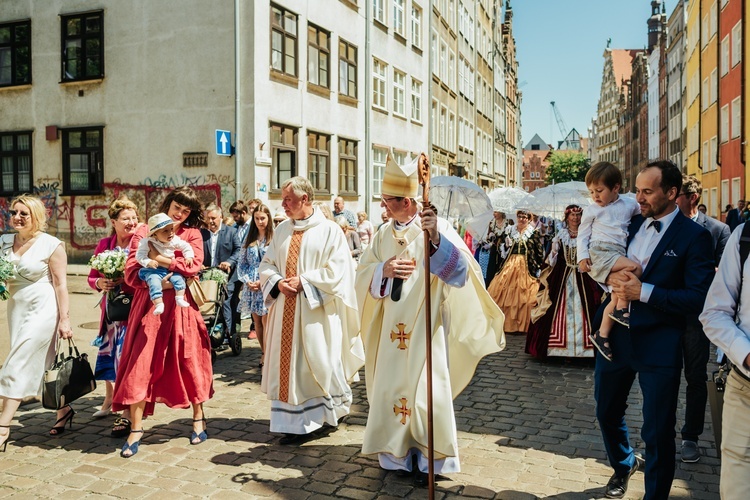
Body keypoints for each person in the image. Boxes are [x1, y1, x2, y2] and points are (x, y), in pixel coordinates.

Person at [355, 153, 504, 486]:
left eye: (389, 201)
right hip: (390, 331)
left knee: (426, 394)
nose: (384, 206)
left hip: (426, 328)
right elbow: (362, 275)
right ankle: (394, 453)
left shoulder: (437, 228)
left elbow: (462, 274)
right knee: (391, 389)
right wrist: (383, 270)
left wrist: (435, 240)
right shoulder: (381, 235)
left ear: (408, 202)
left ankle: (429, 459)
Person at [594, 160, 714, 499]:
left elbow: (697, 298)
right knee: (605, 411)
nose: (638, 197)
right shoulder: (628, 223)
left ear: (672, 193)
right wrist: (608, 277)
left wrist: (642, 292)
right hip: (615, 335)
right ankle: (623, 463)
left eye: (647, 191)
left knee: (658, 431)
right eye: (637, 189)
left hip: (660, 341)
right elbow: (601, 258)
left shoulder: (696, 237)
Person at [259, 177, 364, 445]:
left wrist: (305, 281)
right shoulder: (282, 229)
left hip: (316, 312)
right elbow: (267, 264)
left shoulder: (329, 230)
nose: (282, 205)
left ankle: (324, 415)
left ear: (304, 199)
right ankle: (292, 423)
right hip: (285, 310)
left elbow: (339, 271)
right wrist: (278, 282)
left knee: (319, 363)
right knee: (289, 368)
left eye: (288, 200)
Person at [113, 186, 213, 458]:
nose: (179, 214)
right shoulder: (145, 229)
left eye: (185, 210)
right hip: (149, 308)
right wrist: (172, 267)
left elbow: (195, 267)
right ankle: (135, 429)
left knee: (189, 360)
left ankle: (198, 416)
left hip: (182, 310)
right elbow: (132, 273)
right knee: (139, 363)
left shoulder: (192, 235)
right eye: (176, 208)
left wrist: (158, 259)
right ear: (167, 204)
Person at [0, 195, 74, 450]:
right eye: (13, 212)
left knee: (16, 362)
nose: (17, 217)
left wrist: (64, 319)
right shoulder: (3, 242)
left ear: (36, 216)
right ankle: (63, 409)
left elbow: (61, 284)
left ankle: (3, 427)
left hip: (44, 309)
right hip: (17, 308)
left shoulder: (51, 245)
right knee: (44, 363)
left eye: (24, 213)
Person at [675, 175, 730, 462]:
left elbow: (724, 273)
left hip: (697, 318)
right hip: (668, 314)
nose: (673, 201)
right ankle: (658, 435)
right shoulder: (666, 225)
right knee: (664, 377)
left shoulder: (718, 231)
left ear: (692, 198)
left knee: (695, 377)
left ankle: (690, 436)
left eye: (678, 196)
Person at [700, 225, 750, 499]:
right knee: (736, 490)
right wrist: (746, 354)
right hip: (745, 391)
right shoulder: (744, 236)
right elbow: (715, 312)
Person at [577, 162, 642, 361]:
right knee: (634, 268)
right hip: (600, 251)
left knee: (615, 294)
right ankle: (623, 309)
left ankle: (602, 334)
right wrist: (582, 256)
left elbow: (642, 213)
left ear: (616, 188)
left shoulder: (629, 204)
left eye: (599, 190)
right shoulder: (592, 210)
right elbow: (582, 235)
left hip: (616, 251)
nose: (595, 196)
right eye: (591, 192)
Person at [87, 196, 141, 438]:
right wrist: (101, 281)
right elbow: (91, 277)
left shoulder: (140, 243)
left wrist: (126, 280)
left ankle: (126, 411)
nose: (131, 222)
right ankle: (109, 400)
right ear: (114, 222)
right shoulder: (105, 244)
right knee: (110, 357)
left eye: (134, 218)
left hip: (133, 311)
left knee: (124, 359)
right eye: (126, 218)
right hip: (110, 314)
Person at [526, 205, 604, 359]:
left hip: (584, 275)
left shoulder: (587, 234)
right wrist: (554, 252)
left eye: (578, 215)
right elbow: (551, 260)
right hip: (563, 276)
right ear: (567, 217)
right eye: (572, 215)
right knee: (553, 308)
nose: (575, 218)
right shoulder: (560, 235)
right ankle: (557, 347)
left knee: (590, 306)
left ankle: (587, 348)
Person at [486, 209, 545, 334]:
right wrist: (506, 245)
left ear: (529, 219)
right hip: (510, 264)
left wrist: (540, 267)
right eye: (520, 217)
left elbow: (539, 251)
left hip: (527, 266)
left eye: (525, 217)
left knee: (526, 295)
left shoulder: (533, 233)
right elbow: (501, 250)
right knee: (502, 290)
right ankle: (504, 322)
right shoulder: (509, 230)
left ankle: (522, 324)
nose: (522, 219)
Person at [136, 213, 194, 315]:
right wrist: (148, 262)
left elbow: (186, 246)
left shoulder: (174, 240)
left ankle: (179, 297)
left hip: (169, 269)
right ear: (154, 234)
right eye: (165, 231)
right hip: (154, 269)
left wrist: (189, 256)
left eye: (171, 229)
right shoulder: (147, 242)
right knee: (153, 281)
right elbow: (140, 256)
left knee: (178, 278)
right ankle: (158, 303)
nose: (170, 233)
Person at [237, 204, 274, 367]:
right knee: (257, 321)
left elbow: (277, 263)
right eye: (257, 218)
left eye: (263, 218)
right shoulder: (249, 238)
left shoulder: (274, 238)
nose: (260, 222)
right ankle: (264, 351)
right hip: (252, 284)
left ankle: (269, 353)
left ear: (268, 218)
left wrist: (263, 280)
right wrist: (247, 280)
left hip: (266, 283)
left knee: (267, 321)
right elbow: (242, 262)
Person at [200, 203, 241, 335]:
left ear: (221, 217)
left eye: (213, 218)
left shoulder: (231, 232)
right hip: (207, 275)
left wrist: (229, 262)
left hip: (226, 275)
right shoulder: (202, 234)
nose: (210, 221)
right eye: (208, 218)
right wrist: (199, 263)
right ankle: (210, 332)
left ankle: (228, 333)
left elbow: (239, 250)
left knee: (225, 303)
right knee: (209, 303)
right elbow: (197, 251)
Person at [229, 200, 252, 335]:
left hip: (250, 268)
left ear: (243, 213)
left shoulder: (253, 226)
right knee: (234, 298)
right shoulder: (234, 227)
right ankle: (235, 327)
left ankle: (254, 328)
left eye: (236, 216)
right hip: (236, 269)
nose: (234, 219)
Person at [474, 211, 507, 283]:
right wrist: (489, 239)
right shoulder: (492, 223)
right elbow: (488, 238)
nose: (494, 214)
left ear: (501, 212)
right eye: (494, 212)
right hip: (493, 251)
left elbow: (508, 237)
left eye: (496, 212)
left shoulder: (508, 223)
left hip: (503, 252)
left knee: (502, 270)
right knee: (491, 270)